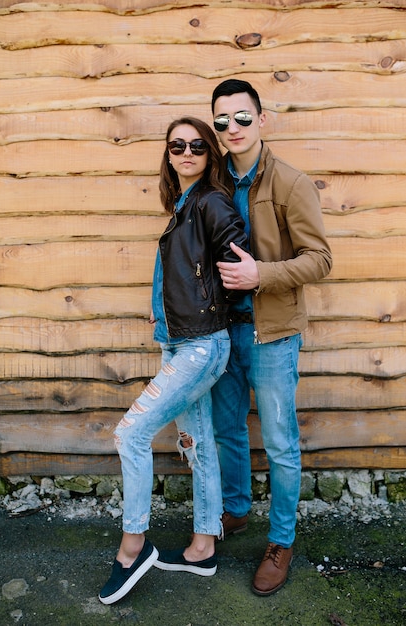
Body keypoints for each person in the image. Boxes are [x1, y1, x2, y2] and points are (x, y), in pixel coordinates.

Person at [99, 117, 249, 605]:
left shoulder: (210, 201)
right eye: (177, 146)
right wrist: (164, 305)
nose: (187, 153)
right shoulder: (184, 205)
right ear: (168, 154)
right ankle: (203, 546)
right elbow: (186, 268)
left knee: (131, 433)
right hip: (182, 341)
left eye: (198, 146)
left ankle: (133, 549)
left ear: (210, 154)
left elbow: (234, 248)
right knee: (197, 443)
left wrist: (217, 296)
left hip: (201, 346)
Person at [210, 79, 333, 596]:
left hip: (272, 334)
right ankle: (235, 512)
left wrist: (262, 275)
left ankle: (281, 541)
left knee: (281, 445)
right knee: (227, 432)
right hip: (220, 333)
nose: (231, 128)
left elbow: (320, 259)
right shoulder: (213, 178)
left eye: (242, 118)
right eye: (221, 121)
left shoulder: (290, 182)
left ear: (263, 120)